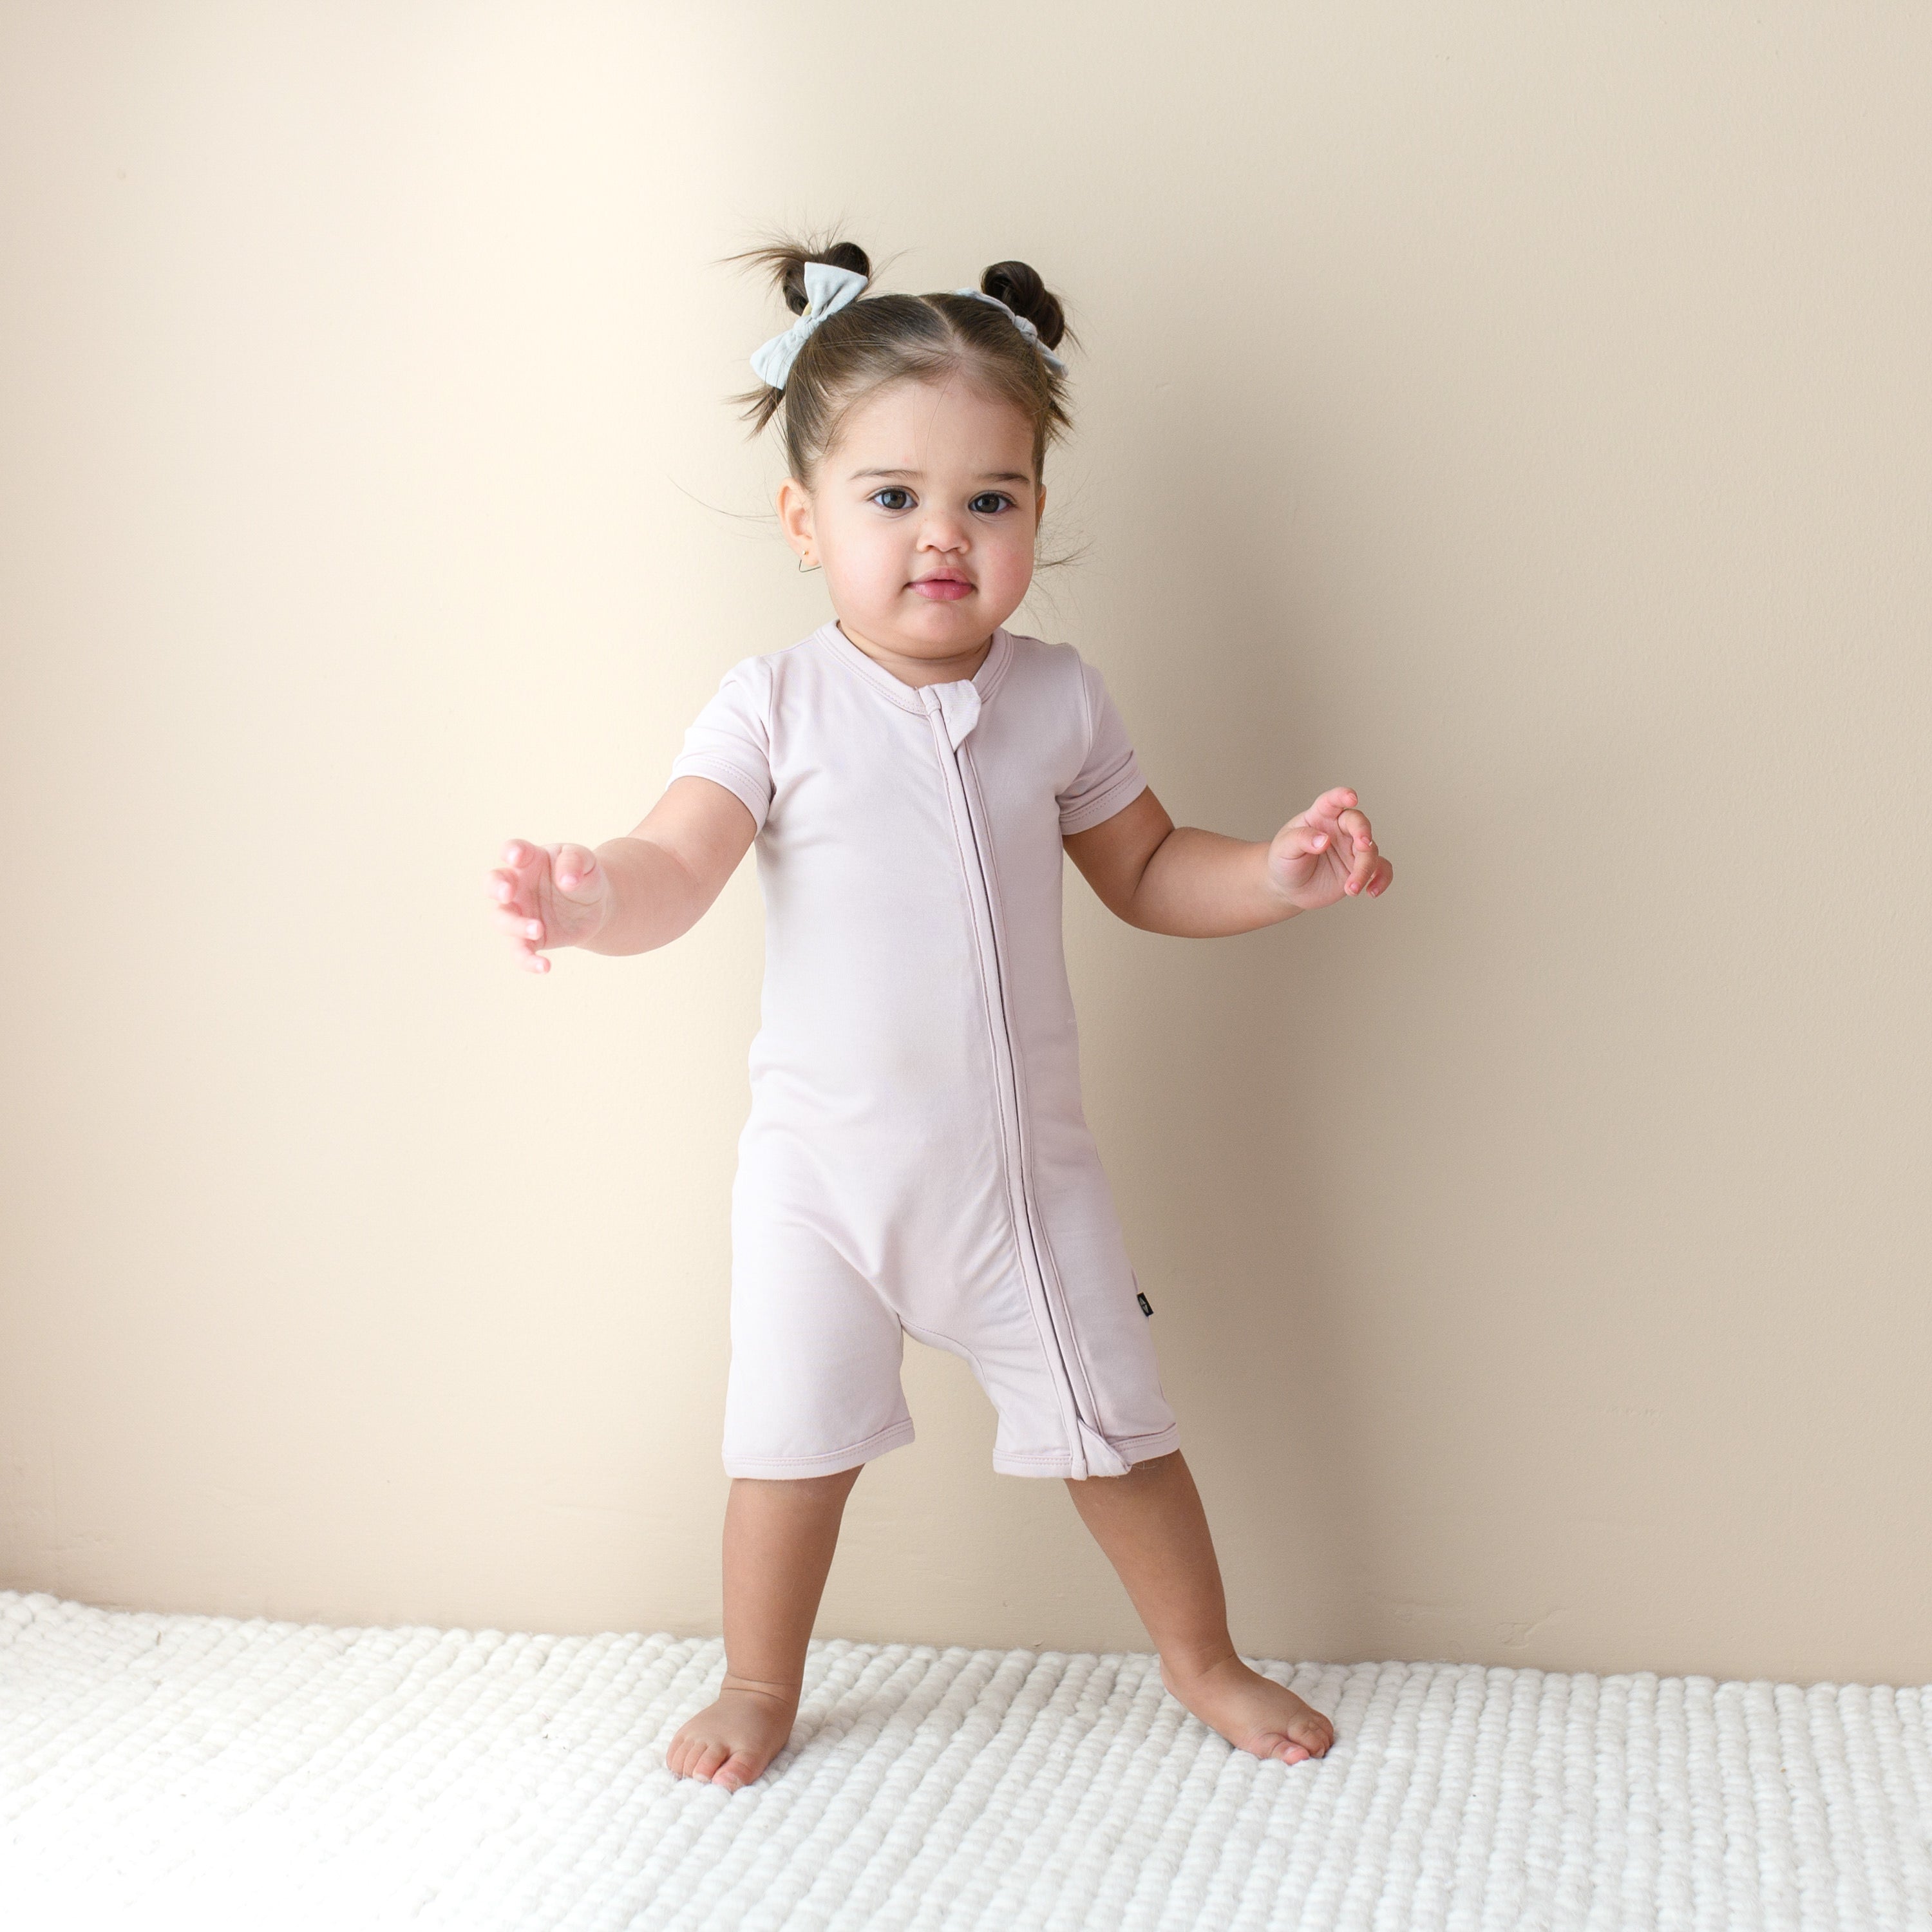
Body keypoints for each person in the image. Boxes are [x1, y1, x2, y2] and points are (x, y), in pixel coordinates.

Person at [485, 238, 1391, 1792]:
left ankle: (1203, 1658)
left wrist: (1281, 877)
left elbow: (1154, 869)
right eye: (891, 497)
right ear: (804, 517)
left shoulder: (1059, 699)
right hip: (822, 1184)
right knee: (788, 1446)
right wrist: (585, 899)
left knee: (1118, 1432)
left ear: (1038, 511)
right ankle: (760, 1679)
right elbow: (675, 865)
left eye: (992, 498)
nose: (944, 537)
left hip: (1019, 1186)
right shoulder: (772, 705)